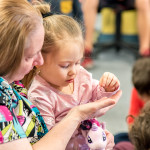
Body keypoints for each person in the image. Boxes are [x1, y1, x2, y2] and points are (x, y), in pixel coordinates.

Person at [0, 0, 122, 150]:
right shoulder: (35, 94)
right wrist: (77, 117)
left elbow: (96, 92)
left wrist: (93, 132)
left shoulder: (13, 83)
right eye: (30, 56)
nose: (39, 61)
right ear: (8, 56)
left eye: (78, 62)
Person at [113, 57, 150, 148]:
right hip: (142, 135)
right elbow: (132, 122)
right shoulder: (137, 91)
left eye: (146, 93)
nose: (141, 97)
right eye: (139, 92)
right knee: (116, 138)